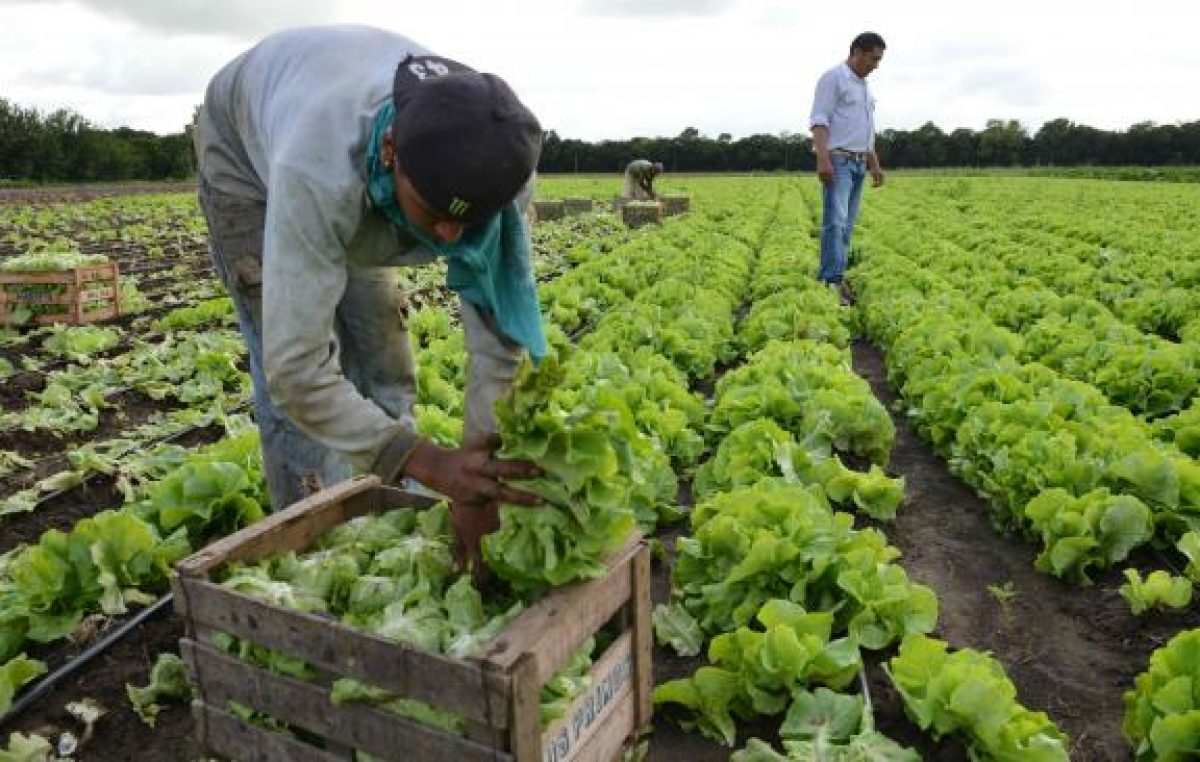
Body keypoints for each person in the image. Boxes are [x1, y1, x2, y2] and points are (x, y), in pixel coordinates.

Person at [192, 25, 546, 571]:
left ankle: (397, 509)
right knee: (296, 396)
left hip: (358, 156)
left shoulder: (500, 168)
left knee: (384, 356)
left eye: (467, 223)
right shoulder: (317, 169)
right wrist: (427, 458)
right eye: (434, 216)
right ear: (389, 153)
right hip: (246, 160)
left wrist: (475, 479)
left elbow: (500, 335)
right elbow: (297, 370)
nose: (449, 239)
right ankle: (313, 548)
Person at [809, 31, 887, 304]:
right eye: (873, 59)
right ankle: (831, 282)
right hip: (838, 160)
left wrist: (874, 164)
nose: (876, 65)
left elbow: (866, 130)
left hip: (857, 163)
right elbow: (819, 120)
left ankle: (834, 277)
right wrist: (823, 158)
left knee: (846, 225)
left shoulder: (864, 87)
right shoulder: (834, 78)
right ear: (857, 52)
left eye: (879, 60)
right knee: (835, 223)